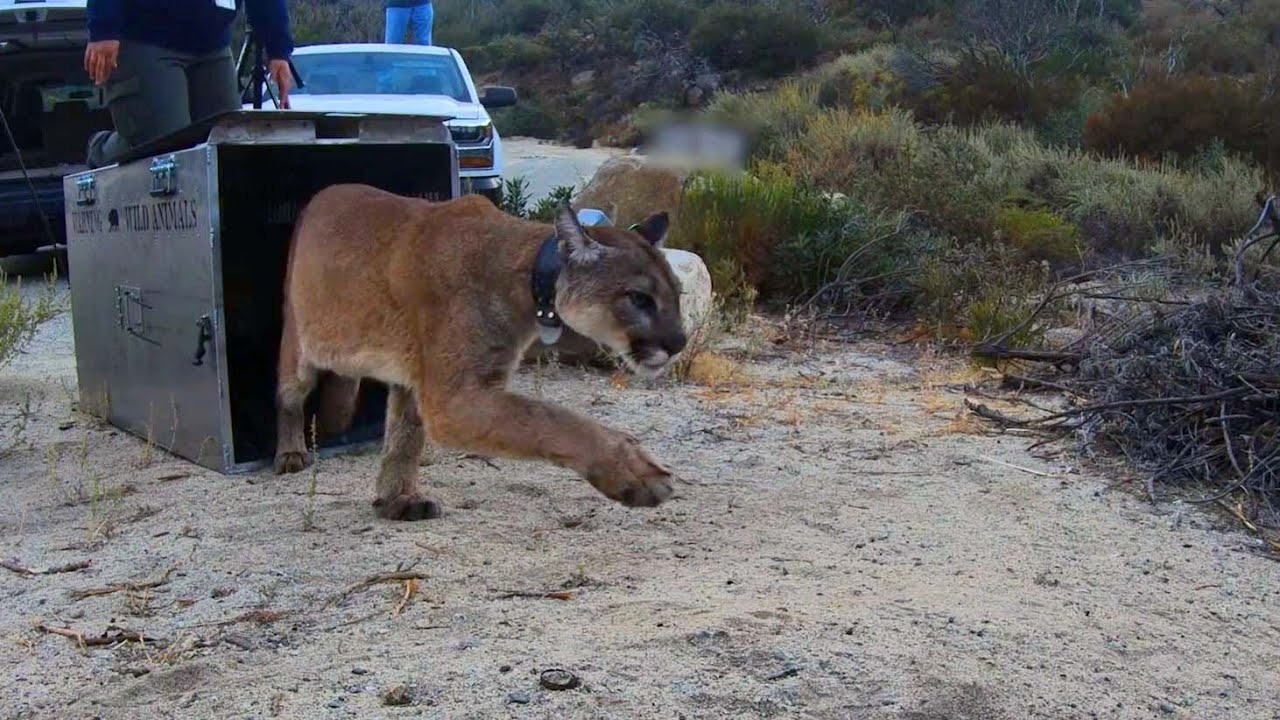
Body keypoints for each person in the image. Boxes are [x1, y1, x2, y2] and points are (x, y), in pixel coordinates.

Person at [83, 0, 296, 169]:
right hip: (146, 36)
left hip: (212, 43)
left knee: (228, 143)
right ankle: (101, 150)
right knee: (168, 147)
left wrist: (278, 48)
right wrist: (104, 25)